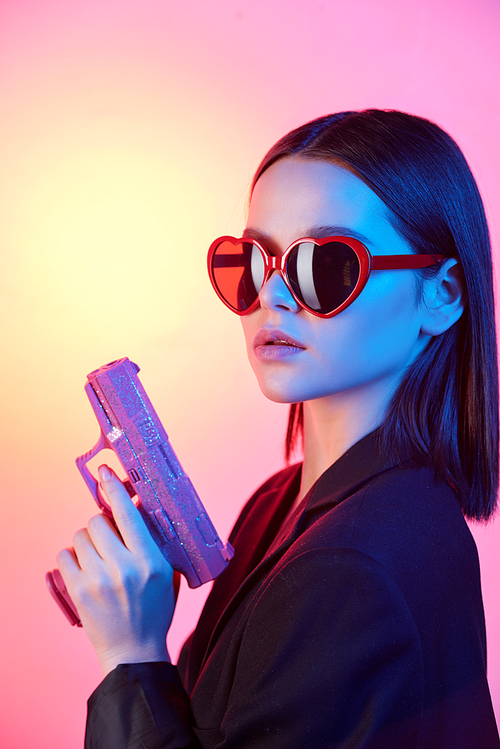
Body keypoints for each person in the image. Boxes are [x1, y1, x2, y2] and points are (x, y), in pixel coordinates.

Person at [58, 109, 500, 748]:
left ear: (441, 294)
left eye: (324, 265)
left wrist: (130, 656)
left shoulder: (352, 566)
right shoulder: (277, 501)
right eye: (253, 260)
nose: (274, 296)